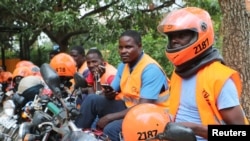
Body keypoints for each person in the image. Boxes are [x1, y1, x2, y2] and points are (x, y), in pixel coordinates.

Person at [157, 7, 249, 141]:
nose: (174, 41)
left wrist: (196, 129)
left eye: (182, 35)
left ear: (201, 36)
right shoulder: (178, 73)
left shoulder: (218, 77)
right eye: (171, 37)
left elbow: (240, 133)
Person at [75, 30, 170, 141]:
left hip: (152, 115)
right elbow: (111, 92)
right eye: (121, 47)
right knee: (92, 99)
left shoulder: (150, 69)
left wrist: (109, 117)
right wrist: (108, 92)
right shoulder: (123, 66)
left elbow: (142, 108)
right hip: (128, 107)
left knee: (110, 129)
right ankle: (75, 135)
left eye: (128, 47)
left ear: (139, 46)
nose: (123, 51)